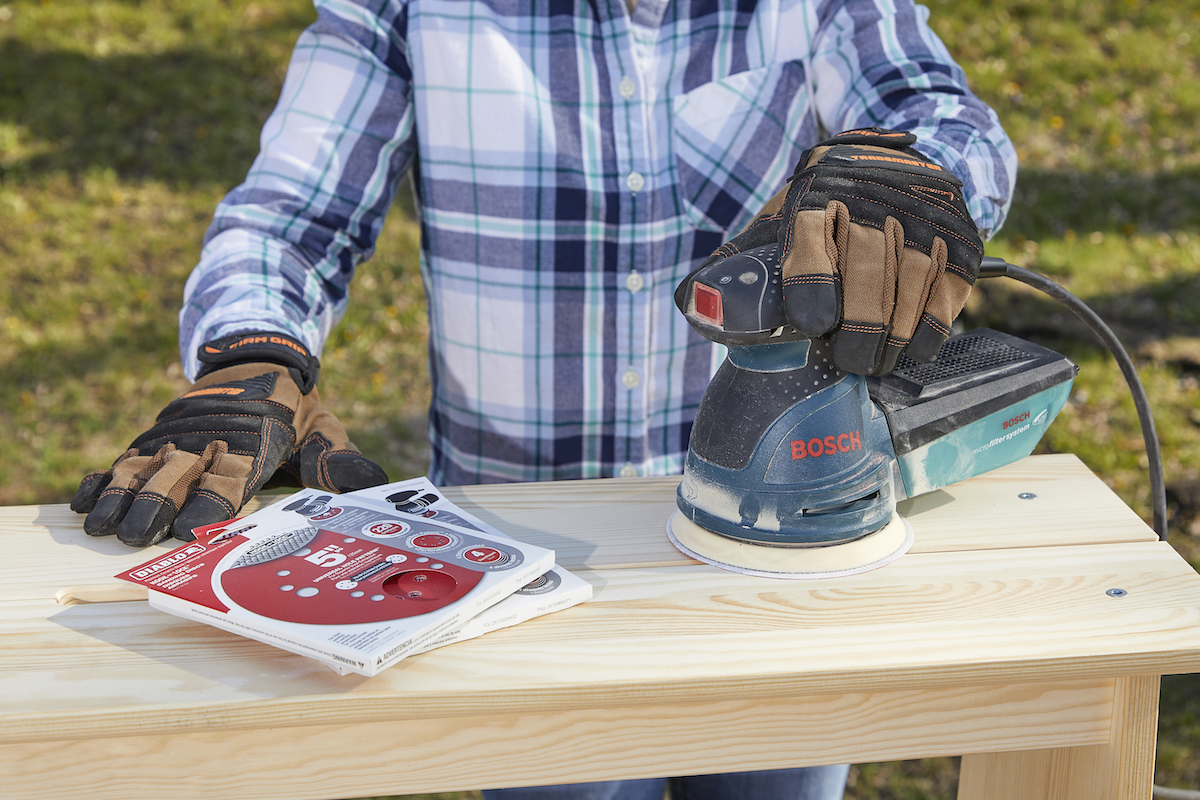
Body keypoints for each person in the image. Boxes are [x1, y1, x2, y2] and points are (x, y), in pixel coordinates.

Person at [71, 0, 1016, 797]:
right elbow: (291, 214)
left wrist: (918, 179)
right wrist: (251, 351)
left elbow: (937, 111)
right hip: (522, 580)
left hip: (785, 559)